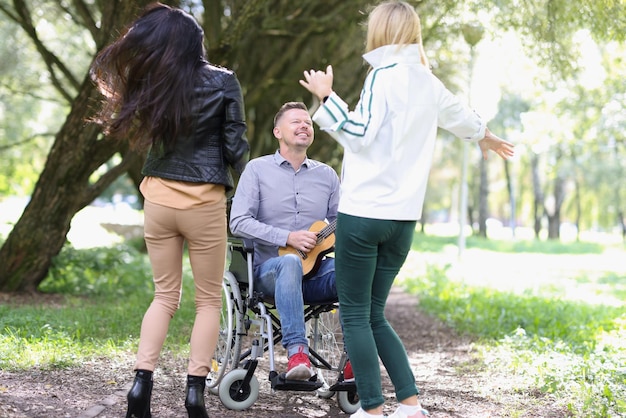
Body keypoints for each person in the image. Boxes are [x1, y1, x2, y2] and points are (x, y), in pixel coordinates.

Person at [299, 1, 515, 417]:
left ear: (379, 32)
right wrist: (485, 135)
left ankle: (373, 409)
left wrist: (327, 98)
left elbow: (358, 134)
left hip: (364, 215)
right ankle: (411, 404)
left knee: (356, 317)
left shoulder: (383, 76)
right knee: (375, 315)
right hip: (402, 221)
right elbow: (461, 117)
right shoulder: (427, 82)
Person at [89, 3, 249, 418]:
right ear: (196, 44)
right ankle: (194, 394)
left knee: (163, 297)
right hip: (204, 203)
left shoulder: (156, 85)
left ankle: (141, 385)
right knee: (208, 301)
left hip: (158, 200)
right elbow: (234, 148)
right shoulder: (224, 82)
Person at [229, 102, 351, 381]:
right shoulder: (256, 170)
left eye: (308, 122)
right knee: (289, 262)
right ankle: (298, 353)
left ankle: (354, 362)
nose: (304, 126)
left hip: (315, 273)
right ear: (277, 132)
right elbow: (238, 222)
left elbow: (339, 226)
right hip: (268, 272)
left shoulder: (327, 176)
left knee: (354, 271)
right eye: (295, 121)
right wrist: (286, 237)